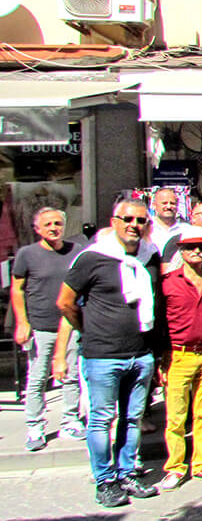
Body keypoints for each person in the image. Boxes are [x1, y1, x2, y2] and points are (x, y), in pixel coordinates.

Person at [55, 200, 160, 508]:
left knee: (132, 419)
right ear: (113, 221)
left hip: (140, 354)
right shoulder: (92, 258)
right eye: (128, 219)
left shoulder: (146, 258)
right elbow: (65, 302)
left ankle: (127, 473)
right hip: (103, 355)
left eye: (141, 220)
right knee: (101, 420)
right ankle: (105, 480)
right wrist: (88, 329)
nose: (134, 225)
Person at [11, 207, 83, 451]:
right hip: (41, 326)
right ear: (37, 229)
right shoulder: (27, 254)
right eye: (48, 224)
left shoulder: (76, 251)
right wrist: (22, 322)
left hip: (70, 324)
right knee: (38, 377)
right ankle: (35, 426)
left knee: (71, 375)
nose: (53, 228)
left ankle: (70, 421)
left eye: (57, 223)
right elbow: (17, 289)